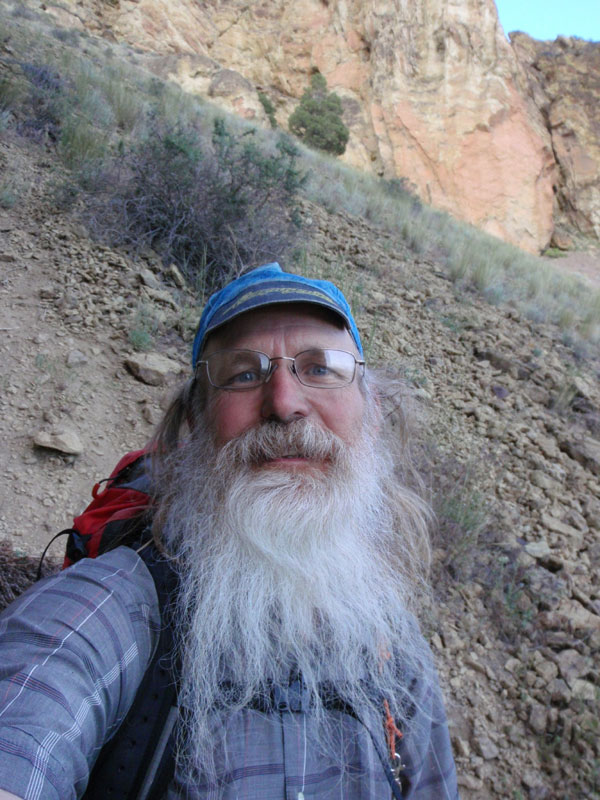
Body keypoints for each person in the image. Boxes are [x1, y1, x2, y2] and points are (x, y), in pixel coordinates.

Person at [0, 263, 459, 799]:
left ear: (372, 412)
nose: (284, 402)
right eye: (244, 373)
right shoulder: (111, 611)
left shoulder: (394, 647)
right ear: (195, 422)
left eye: (322, 368)